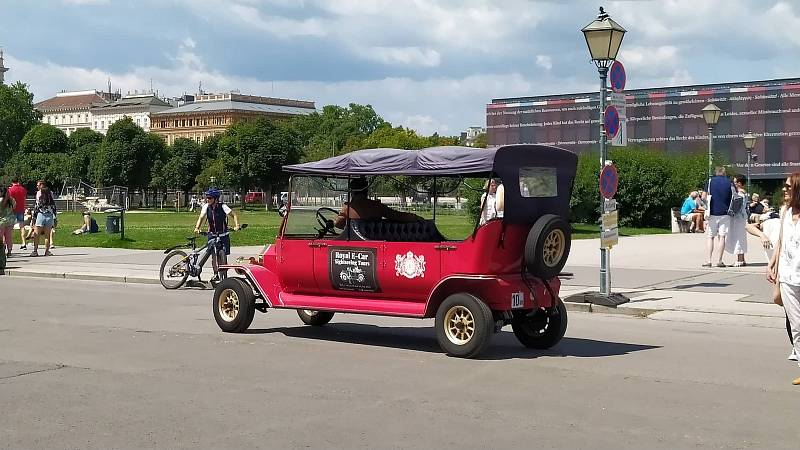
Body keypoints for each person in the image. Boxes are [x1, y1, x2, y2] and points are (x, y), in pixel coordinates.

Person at [767, 173, 800, 385]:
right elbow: (781, 240)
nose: (785, 190)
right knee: (796, 326)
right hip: (788, 277)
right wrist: (772, 263)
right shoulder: (785, 212)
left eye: (789, 187)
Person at [334, 178, 423, 229]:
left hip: (354, 243)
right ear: (366, 191)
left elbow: (338, 224)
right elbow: (396, 215)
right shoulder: (377, 206)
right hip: (375, 240)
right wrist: (415, 217)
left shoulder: (348, 207)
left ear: (352, 191)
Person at [194, 188, 241, 277]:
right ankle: (215, 274)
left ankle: (224, 275)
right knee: (214, 255)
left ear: (216, 199)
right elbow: (201, 217)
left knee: (223, 254)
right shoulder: (206, 207)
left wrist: (237, 225)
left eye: (210, 198)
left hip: (223, 234)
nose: (207, 199)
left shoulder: (223, 206)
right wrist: (197, 228)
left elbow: (233, 215)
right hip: (212, 234)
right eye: (207, 198)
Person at [704, 166, 734, 268]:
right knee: (722, 237)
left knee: (710, 237)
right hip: (725, 213)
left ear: (716, 172)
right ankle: (720, 260)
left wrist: (707, 204)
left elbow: (703, 196)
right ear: (724, 172)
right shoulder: (729, 182)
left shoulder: (710, 181)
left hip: (712, 212)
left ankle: (708, 260)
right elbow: (734, 196)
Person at [726, 176, 749, 267]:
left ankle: (739, 259)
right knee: (741, 237)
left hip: (738, 218)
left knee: (738, 238)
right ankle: (742, 259)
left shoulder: (739, 194)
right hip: (742, 217)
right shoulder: (744, 193)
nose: (734, 184)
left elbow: (736, 207)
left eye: (735, 182)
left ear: (739, 183)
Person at [31, 181, 56, 257]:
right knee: (47, 235)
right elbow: (53, 206)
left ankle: (35, 251)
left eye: (38, 185)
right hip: (49, 215)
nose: (37, 186)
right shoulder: (50, 193)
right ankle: (47, 251)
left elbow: (37, 206)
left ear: (42, 185)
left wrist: (34, 218)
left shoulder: (39, 193)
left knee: (36, 234)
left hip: (41, 214)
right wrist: (55, 217)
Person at [7, 178, 27, 250]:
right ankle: (24, 243)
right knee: (22, 226)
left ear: (12, 182)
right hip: (21, 209)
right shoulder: (23, 189)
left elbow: (9, 200)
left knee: (10, 228)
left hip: (12, 210)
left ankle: (9, 244)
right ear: (18, 181)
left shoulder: (10, 190)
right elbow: (24, 199)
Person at [0, 187, 16, 257]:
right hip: (10, 220)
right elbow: (14, 207)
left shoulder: (0, 200)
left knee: (1, 237)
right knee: (9, 237)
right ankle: (9, 251)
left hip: (1, 220)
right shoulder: (12, 200)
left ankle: (2, 251)